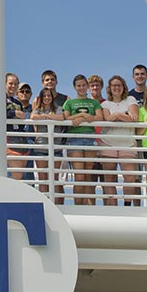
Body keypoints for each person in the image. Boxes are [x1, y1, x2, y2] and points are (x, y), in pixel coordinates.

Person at [98, 75, 139, 206]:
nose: (116, 88)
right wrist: (123, 115)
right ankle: (112, 206)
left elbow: (134, 118)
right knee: (109, 177)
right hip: (108, 143)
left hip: (127, 143)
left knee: (129, 177)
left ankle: (127, 205)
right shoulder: (105, 104)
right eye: (114, 85)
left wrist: (116, 115)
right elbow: (107, 121)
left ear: (123, 87)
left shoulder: (130, 100)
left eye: (119, 85)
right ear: (109, 88)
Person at [61, 75, 102, 205]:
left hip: (90, 139)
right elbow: (66, 118)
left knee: (89, 177)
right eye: (78, 85)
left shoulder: (94, 102)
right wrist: (83, 115)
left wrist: (82, 119)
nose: (81, 88)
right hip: (74, 140)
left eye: (84, 85)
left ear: (87, 86)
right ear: (74, 87)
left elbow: (99, 117)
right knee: (79, 176)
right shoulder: (69, 102)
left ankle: (90, 207)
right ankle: (78, 206)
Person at [29, 86, 63, 197]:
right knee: (42, 178)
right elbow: (33, 116)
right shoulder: (38, 109)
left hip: (55, 147)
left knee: (54, 179)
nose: (47, 98)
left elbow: (61, 118)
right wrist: (48, 117)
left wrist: (45, 117)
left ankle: (57, 207)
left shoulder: (58, 108)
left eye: (49, 95)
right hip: (41, 147)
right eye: (44, 96)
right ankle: (46, 204)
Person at [4, 72, 31, 181]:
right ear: (4, 84)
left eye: (15, 84)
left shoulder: (18, 102)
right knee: (16, 175)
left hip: (20, 140)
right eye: (10, 83)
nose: (13, 86)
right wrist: (13, 113)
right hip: (8, 139)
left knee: (20, 176)